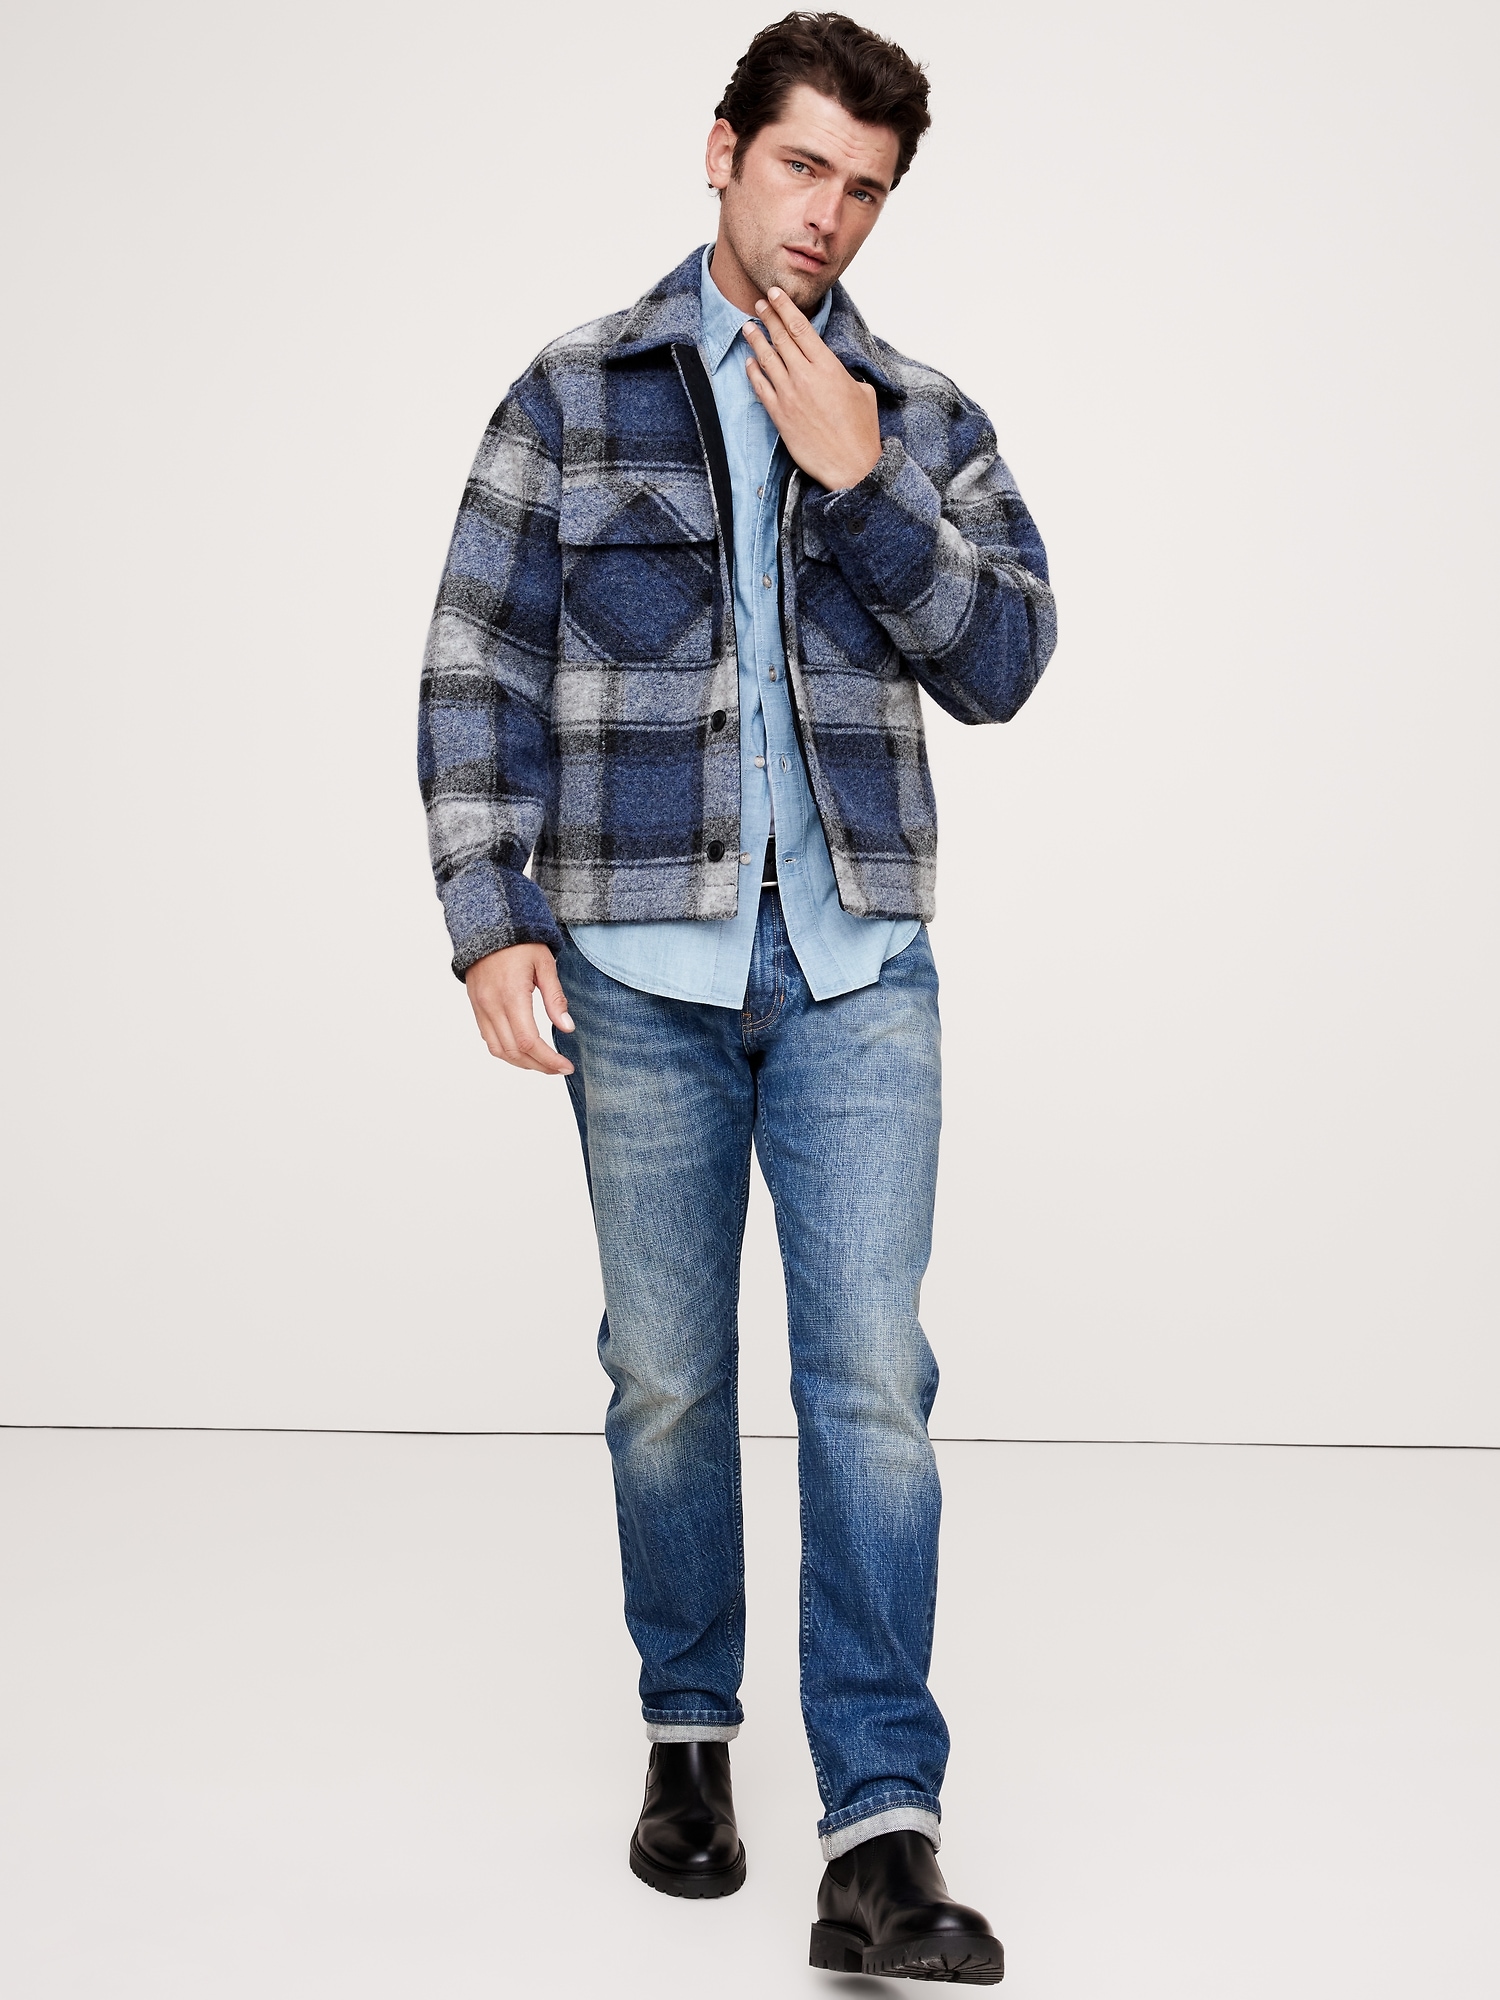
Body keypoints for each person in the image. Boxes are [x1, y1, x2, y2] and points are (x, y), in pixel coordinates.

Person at [418, 11, 1055, 1982]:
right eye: (800, 167)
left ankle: (881, 1829)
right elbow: (475, 660)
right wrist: (489, 915)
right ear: (722, 151)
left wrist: (865, 484)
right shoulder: (572, 395)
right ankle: (688, 1732)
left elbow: (1008, 660)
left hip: (859, 965)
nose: (827, 216)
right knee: (669, 1375)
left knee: (872, 1384)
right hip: (639, 969)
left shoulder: (921, 413)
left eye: (864, 188)